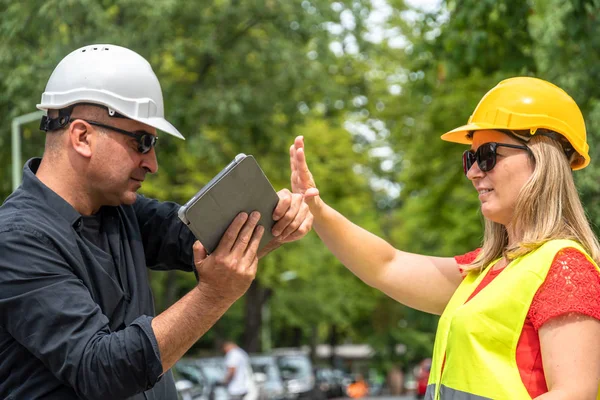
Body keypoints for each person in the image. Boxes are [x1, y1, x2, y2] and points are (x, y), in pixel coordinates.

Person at [0, 44, 312, 400]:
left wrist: (276, 215)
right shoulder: (16, 240)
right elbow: (100, 371)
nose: (152, 163)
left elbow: (197, 236)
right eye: (142, 142)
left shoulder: (121, 211)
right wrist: (213, 296)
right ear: (82, 136)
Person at [289, 77, 600, 399]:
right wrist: (317, 208)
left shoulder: (565, 269)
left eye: (488, 156)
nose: (473, 172)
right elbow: (386, 265)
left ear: (542, 160)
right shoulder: (488, 272)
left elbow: (575, 394)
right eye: (470, 158)